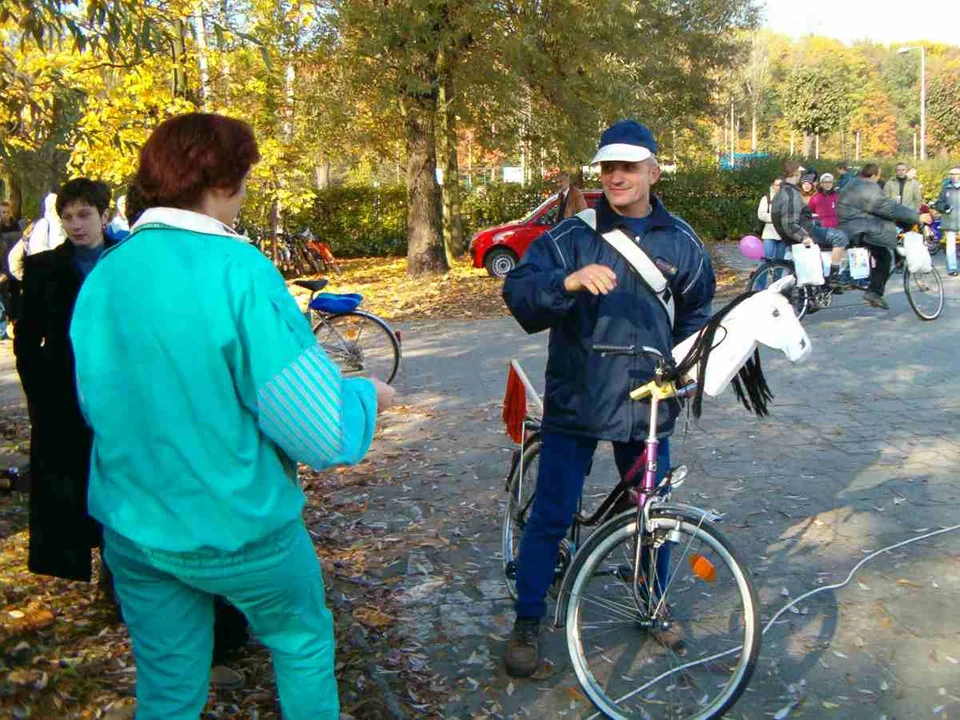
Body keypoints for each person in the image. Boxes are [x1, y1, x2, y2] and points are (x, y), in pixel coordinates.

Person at [69, 113, 396, 720]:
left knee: (167, 688)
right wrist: (364, 397)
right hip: (239, 527)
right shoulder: (239, 270)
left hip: (135, 527)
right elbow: (316, 429)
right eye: (243, 179)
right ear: (221, 182)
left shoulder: (108, 274)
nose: (245, 194)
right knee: (300, 642)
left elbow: (96, 403)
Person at [501, 119, 715, 678]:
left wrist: (687, 371)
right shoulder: (571, 237)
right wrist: (568, 283)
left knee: (655, 517)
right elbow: (519, 293)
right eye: (608, 167)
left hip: (647, 404)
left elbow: (696, 321)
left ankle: (651, 602)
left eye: (628, 166)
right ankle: (527, 618)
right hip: (578, 397)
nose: (616, 176)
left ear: (653, 170)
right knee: (551, 515)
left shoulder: (683, 242)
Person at [13, 179, 122, 587]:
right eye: (67, 217)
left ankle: (124, 572)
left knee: (123, 479)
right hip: (65, 392)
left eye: (84, 215)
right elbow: (26, 341)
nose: (76, 225)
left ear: (104, 215)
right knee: (74, 483)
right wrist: (40, 395)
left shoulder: (126, 259)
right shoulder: (44, 268)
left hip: (123, 390)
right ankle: (90, 565)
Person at [837, 163, 933, 308]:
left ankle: (859, 280)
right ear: (875, 175)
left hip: (850, 225)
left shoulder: (853, 183)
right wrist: (917, 217)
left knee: (874, 253)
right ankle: (874, 292)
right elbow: (888, 208)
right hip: (863, 228)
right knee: (884, 256)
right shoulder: (869, 188)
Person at [772, 160, 850, 286]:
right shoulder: (791, 194)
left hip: (794, 233)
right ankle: (833, 277)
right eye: (800, 174)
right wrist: (804, 236)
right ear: (796, 174)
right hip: (804, 231)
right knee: (840, 237)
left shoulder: (782, 192)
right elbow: (790, 222)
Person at [933, 167, 960, 276]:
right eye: (951, 174)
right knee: (950, 246)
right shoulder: (945, 188)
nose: (954, 176)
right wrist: (944, 207)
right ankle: (952, 269)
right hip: (949, 221)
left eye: (956, 174)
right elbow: (938, 204)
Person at [757, 178, 784, 260]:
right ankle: (765, 273)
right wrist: (775, 218)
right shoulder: (766, 199)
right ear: (773, 186)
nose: (779, 187)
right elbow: (761, 215)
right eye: (777, 185)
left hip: (783, 234)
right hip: (769, 233)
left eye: (781, 185)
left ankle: (777, 273)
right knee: (767, 259)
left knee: (780, 261)